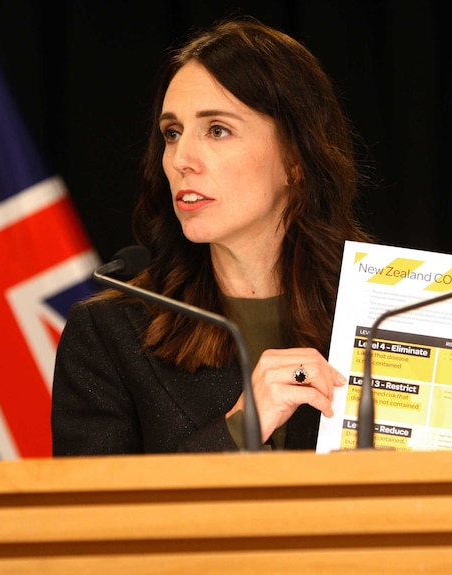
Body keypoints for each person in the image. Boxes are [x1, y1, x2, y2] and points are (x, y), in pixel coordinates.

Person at [51, 17, 370, 454]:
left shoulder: (390, 313)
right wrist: (238, 430)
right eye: (172, 133)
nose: (182, 158)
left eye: (217, 130)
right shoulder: (110, 333)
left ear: (295, 158)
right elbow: (91, 520)